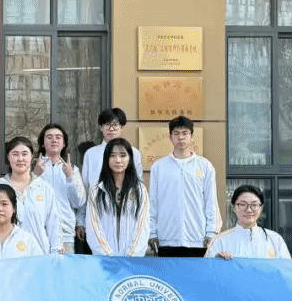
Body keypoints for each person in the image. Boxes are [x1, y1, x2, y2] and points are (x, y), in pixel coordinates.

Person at [147, 116, 221, 257]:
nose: (180, 138)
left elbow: (211, 201)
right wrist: (152, 232)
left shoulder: (205, 166)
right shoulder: (159, 167)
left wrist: (211, 231)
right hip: (166, 238)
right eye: (176, 133)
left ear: (192, 136)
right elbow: (153, 203)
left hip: (197, 239)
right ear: (170, 137)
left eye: (185, 133)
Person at [205, 184, 292, 277]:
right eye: (242, 204)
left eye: (254, 205)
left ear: (261, 208)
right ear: (233, 207)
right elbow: (206, 275)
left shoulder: (275, 239)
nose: (248, 210)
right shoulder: (220, 241)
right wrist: (216, 263)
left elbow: (289, 275)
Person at [0, 136, 62, 255]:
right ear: (8, 157)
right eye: (15, 154)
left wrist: (55, 253)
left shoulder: (44, 188)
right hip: (7, 256)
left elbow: (54, 224)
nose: (20, 159)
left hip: (39, 256)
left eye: (24, 154)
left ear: (32, 156)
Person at [86, 138, 150, 257]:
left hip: (132, 260)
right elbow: (93, 227)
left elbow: (143, 226)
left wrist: (131, 255)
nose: (118, 160)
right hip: (105, 260)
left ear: (130, 159)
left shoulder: (139, 190)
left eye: (123, 155)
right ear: (106, 159)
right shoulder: (96, 190)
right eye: (113, 155)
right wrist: (108, 256)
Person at [34, 123, 85, 254]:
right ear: (42, 143)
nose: (54, 140)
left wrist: (69, 178)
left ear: (64, 144)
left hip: (65, 233)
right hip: (38, 232)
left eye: (58, 137)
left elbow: (79, 202)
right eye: (49, 137)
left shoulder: (72, 169)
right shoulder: (33, 169)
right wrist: (35, 175)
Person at [81, 108, 143, 202]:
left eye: (115, 125)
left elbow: (138, 182)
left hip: (126, 203)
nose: (111, 129)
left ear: (121, 127)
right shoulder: (91, 154)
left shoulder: (133, 153)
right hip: (96, 203)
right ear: (101, 127)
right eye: (107, 125)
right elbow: (85, 185)